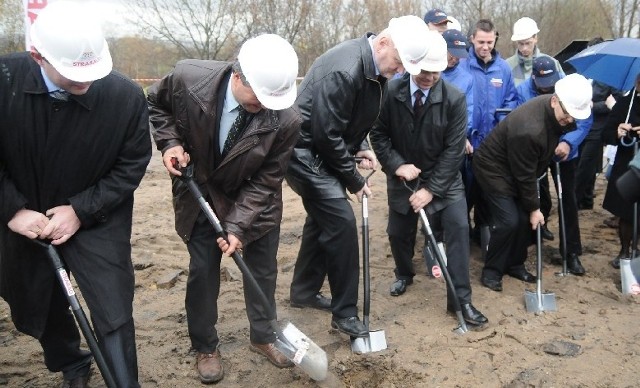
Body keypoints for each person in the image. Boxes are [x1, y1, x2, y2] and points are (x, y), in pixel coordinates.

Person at [0, 2, 151, 387]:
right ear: (38, 56)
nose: (85, 83)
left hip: (97, 212)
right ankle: (71, 361)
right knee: (36, 298)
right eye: (72, 74)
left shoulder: (125, 98)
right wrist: (13, 210)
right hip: (21, 213)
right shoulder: (5, 81)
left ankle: (123, 382)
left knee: (113, 302)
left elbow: (131, 165)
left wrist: (81, 210)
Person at [147, 34, 301, 383]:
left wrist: (236, 227)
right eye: (256, 97)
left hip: (255, 201)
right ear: (237, 74)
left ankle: (263, 336)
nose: (263, 105)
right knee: (203, 271)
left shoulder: (287, 119)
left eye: (270, 100)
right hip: (200, 189)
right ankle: (205, 346)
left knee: (262, 270)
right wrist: (169, 143)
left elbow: (267, 180)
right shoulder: (188, 78)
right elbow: (155, 104)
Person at [285, 15, 432, 338]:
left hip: (323, 150)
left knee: (321, 220)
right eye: (399, 62)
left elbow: (350, 116)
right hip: (303, 154)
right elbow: (326, 134)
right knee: (341, 223)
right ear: (382, 43)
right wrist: (354, 180)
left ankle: (304, 291)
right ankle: (345, 313)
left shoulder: (371, 67)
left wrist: (361, 146)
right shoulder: (346, 69)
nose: (401, 71)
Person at [369, 31, 488, 327]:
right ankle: (404, 274)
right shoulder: (390, 93)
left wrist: (432, 190)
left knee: (459, 229)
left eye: (435, 72)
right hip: (404, 178)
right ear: (410, 65)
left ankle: (460, 301)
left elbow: (453, 150)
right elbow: (378, 134)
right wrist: (397, 165)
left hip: (444, 181)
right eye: (423, 71)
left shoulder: (454, 99)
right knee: (398, 232)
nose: (429, 78)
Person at [473, 74, 592, 291]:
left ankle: (514, 264)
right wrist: (535, 208)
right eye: (567, 114)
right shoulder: (530, 129)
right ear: (555, 100)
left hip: (518, 167)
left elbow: (528, 170)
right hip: (493, 169)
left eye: (574, 116)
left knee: (524, 219)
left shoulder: (553, 112)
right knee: (510, 220)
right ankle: (492, 270)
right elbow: (525, 176)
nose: (570, 120)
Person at [516, 56, 592, 275]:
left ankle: (571, 252)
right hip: (536, 151)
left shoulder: (571, 88)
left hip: (565, 152)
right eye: (541, 86)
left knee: (568, 200)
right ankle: (530, 239)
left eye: (550, 84)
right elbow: (520, 119)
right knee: (532, 195)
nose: (545, 89)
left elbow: (585, 120)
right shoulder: (523, 91)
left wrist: (568, 142)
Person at [462, 19, 518, 245]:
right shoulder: (462, 65)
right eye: (481, 42)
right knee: (465, 193)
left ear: (495, 39)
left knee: (488, 193)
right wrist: (462, 134)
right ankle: (461, 235)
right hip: (467, 144)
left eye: (489, 42)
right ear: (472, 39)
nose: (485, 47)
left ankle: (482, 232)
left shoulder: (503, 68)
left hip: (492, 146)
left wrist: (501, 130)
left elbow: (511, 100)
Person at [575, 38, 621, 210]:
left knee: (585, 164)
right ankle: (586, 200)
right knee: (581, 161)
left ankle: (573, 199)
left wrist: (596, 106)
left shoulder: (611, 75)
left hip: (599, 125)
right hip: (580, 124)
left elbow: (615, 101)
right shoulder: (583, 73)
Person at [602, 72, 640, 269]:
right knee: (626, 211)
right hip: (627, 163)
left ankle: (637, 249)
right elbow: (606, 134)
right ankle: (625, 250)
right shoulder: (626, 104)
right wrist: (617, 133)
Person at [505, 17, 564, 86]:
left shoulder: (551, 63)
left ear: (535, 38)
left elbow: (563, 90)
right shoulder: (507, 66)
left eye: (528, 43)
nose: (524, 48)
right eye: (520, 43)